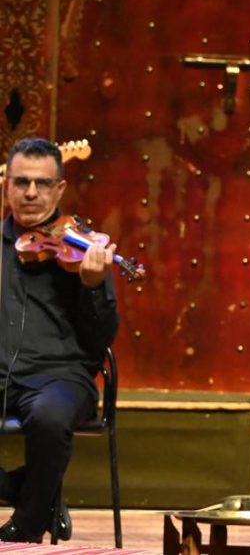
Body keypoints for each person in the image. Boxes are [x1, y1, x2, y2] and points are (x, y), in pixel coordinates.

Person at [0, 137, 120, 542]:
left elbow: (102, 338)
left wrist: (92, 286)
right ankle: (31, 490)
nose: (31, 192)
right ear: (7, 185)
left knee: (50, 416)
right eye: (21, 182)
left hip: (60, 377)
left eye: (43, 183)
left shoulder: (82, 248)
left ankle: (25, 528)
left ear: (60, 189)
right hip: (1, 374)